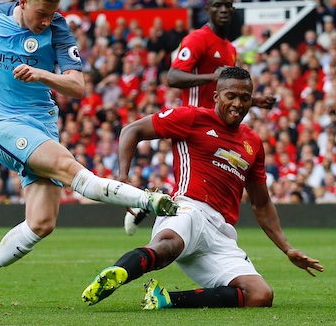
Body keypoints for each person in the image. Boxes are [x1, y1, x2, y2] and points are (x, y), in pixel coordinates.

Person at [0, 0, 178, 310]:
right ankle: (149, 201)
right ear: (23, 2)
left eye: (52, 14)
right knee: (68, 167)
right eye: (41, 14)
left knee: (41, 223)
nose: (46, 21)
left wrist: (41, 73)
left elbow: (78, 86)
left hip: (41, 122)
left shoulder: (59, 29)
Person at [83, 67, 323, 310]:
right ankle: (119, 272)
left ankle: (165, 300)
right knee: (168, 247)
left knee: (260, 295)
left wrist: (287, 248)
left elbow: (261, 204)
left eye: (245, 98)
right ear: (217, 97)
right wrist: (123, 178)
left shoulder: (252, 143)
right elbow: (131, 130)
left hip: (221, 232)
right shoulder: (192, 117)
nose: (238, 103)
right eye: (231, 96)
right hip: (189, 208)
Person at [125, 0, 275, 234]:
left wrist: (255, 101)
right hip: (193, 123)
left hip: (217, 125)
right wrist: (210, 75)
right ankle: (151, 207)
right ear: (208, 10)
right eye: (218, 5)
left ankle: (154, 204)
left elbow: (226, 89)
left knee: (201, 189)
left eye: (228, 5)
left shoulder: (230, 48)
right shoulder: (197, 39)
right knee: (190, 191)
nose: (224, 10)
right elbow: (172, 76)